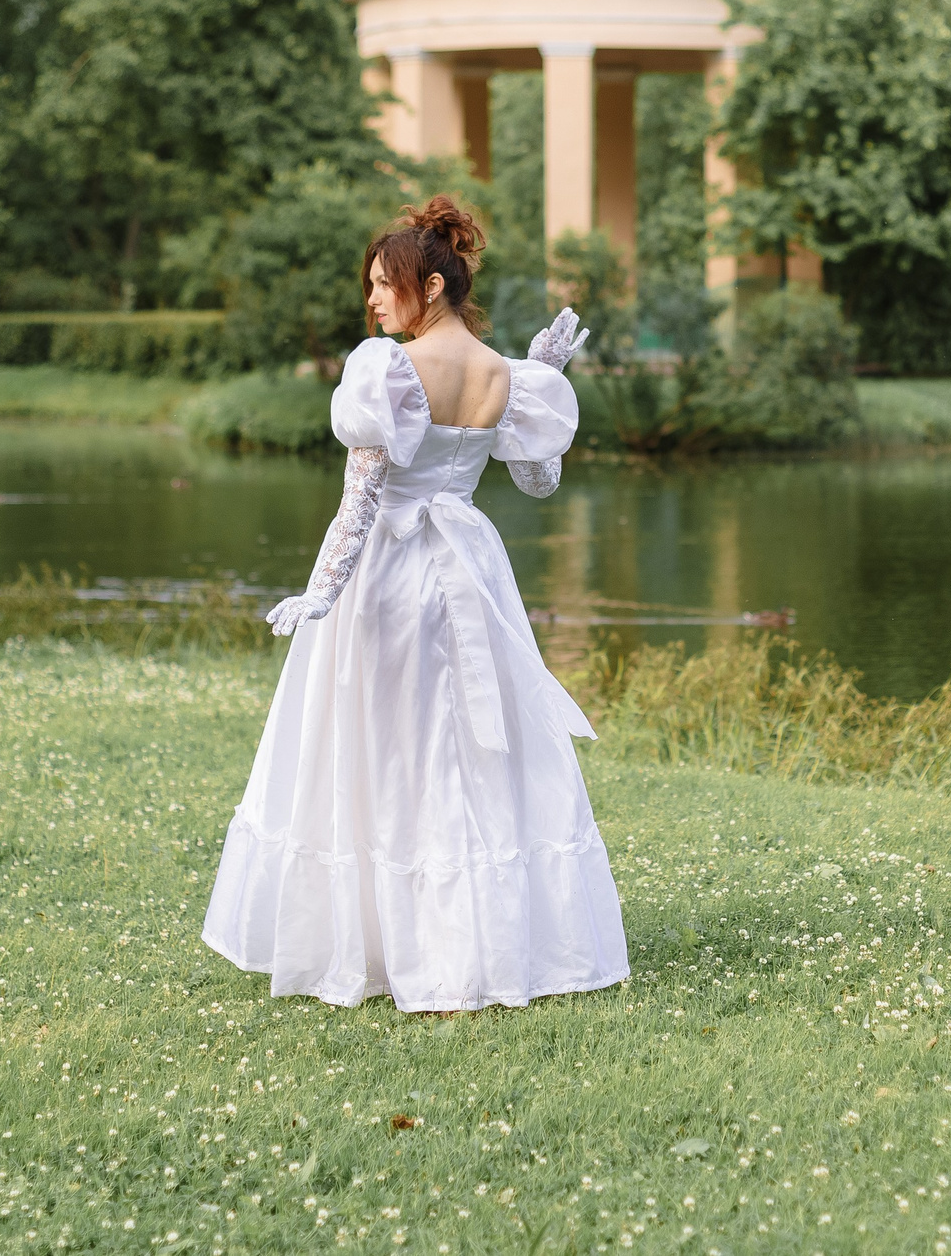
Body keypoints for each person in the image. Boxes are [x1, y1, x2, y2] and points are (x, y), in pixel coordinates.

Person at [201, 196, 630, 1012]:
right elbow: (537, 479)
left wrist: (319, 592)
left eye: (381, 285)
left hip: (393, 573)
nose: (371, 301)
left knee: (391, 751)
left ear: (430, 285)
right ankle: (474, 945)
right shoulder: (504, 373)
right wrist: (541, 378)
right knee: (467, 753)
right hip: (469, 563)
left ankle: (389, 949)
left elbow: (359, 501)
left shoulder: (388, 370)